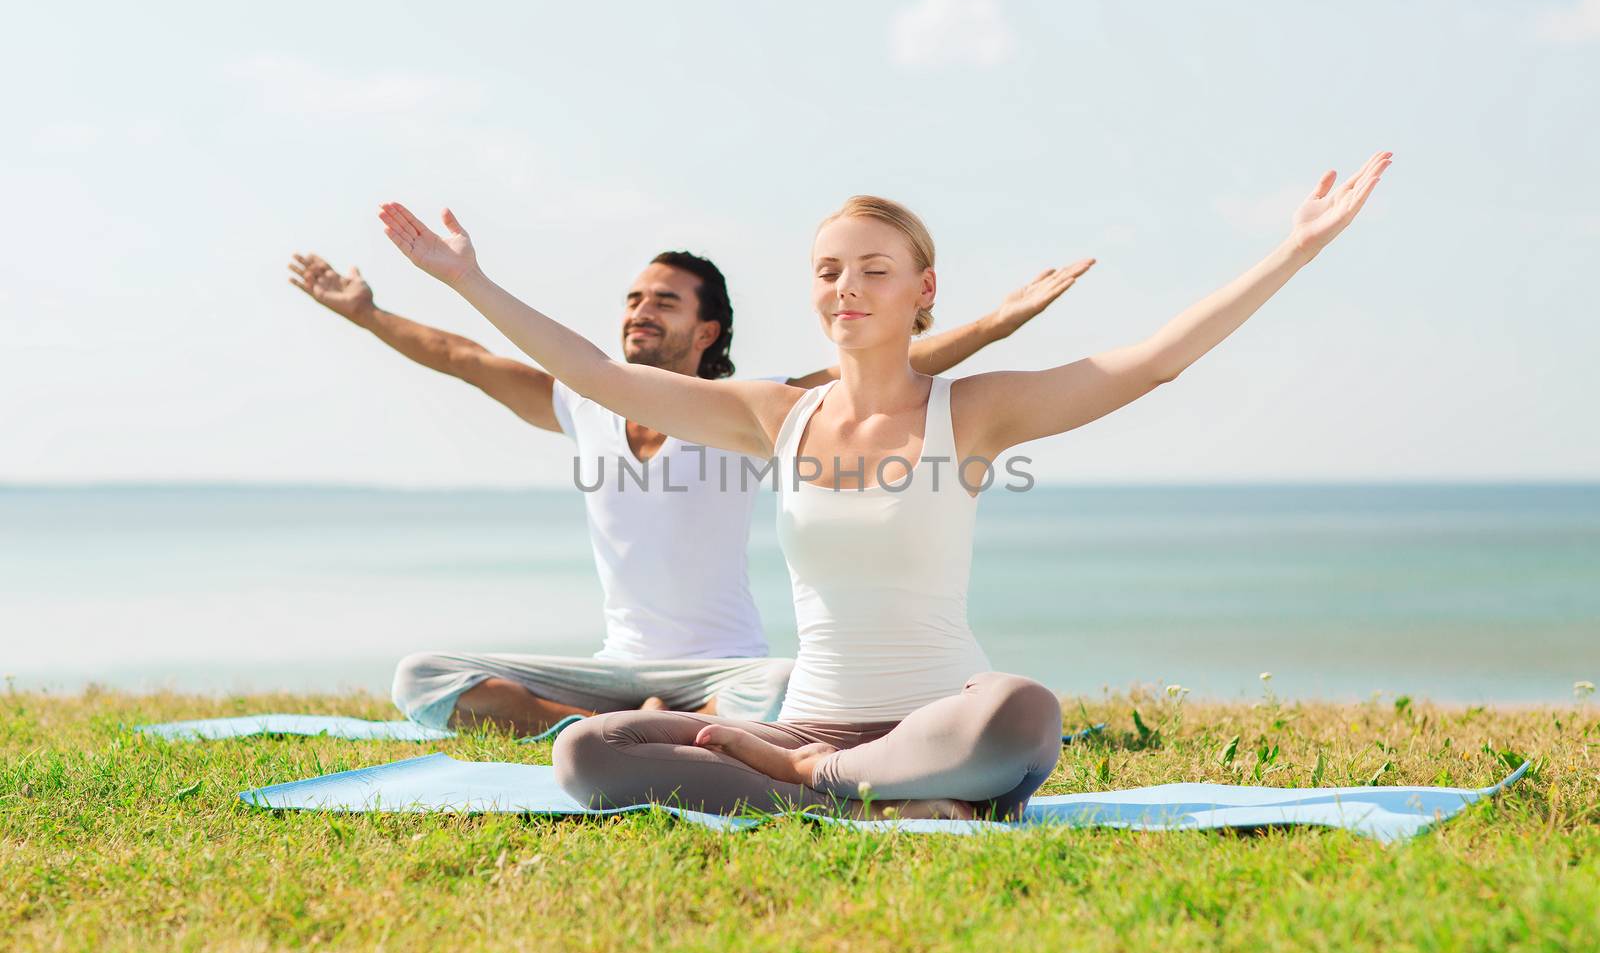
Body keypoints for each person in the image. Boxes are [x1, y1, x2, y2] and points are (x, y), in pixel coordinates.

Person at [376, 149, 1389, 818]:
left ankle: (826, 784)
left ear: (922, 290)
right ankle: (867, 789)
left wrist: (1293, 249)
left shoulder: (974, 411)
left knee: (1021, 711)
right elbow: (594, 376)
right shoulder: (776, 413)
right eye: (827, 270)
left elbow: (1156, 358)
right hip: (803, 714)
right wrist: (467, 279)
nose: (845, 289)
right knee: (588, 754)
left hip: (931, 712)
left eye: (871, 269)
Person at [287, 244, 1091, 736]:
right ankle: (610, 729)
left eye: (663, 301)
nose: (639, 311)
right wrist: (367, 314)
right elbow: (459, 354)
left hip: (726, 674)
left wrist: (998, 321)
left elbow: (887, 368)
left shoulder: (755, 413)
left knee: (785, 687)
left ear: (707, 332)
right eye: (634, 298)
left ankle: (646, 731)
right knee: (420, 675)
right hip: (612, 673)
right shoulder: (582, 401)